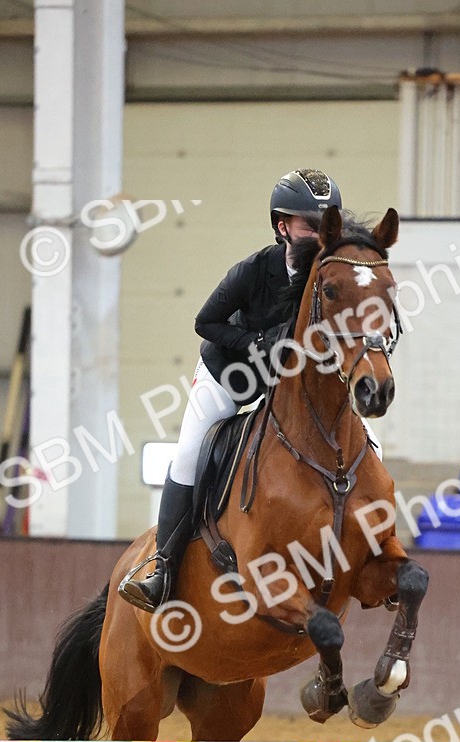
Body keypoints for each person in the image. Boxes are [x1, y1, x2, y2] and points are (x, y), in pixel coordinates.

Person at [119, 168, 343, 613]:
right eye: (310, 226)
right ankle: (162, 568)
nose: (320, 236)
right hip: (228, 374)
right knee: (188, 455)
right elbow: (205, 322)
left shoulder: (329, 278)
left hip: (282, 384)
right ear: (282, 227)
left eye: (326, 226)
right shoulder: (253, 271)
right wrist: (256, 342)